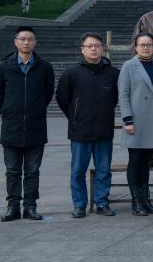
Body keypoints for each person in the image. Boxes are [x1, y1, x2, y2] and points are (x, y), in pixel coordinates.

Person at [0, 27, 55, 221]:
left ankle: (30, 207)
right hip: (11, 128)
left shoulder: (45, 67)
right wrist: (10, 111)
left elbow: (47, 94)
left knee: (32, 171)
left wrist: (34, 110)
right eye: (22, 39)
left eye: (30, 39)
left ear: (35, 42)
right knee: (12, 171)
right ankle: (12, 207)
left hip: (36, 128)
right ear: (15, 42)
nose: (26, 42)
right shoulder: (4, 67)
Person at [56, 33, 120, 218]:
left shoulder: (113, 73)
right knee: (78, 171)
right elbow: (62, 98)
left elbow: (115, 98)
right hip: (80, 131)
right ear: (82, 49)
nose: (93, 48)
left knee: (103, 170)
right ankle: (79, 205)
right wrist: (75, 116)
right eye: (89, 46)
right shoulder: (71, 73)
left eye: (97, 45)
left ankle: (102, 203)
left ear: (102, 48)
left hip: (103, 130)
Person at [119, 33, 153, 216]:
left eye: (149, 45)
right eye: (142, 45)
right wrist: (127, 120)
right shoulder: (128, 66)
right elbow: (123, 94)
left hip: (152, 122)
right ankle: (136, 202)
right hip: (135, 122)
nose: (146, 48)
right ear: (136, 47)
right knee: (135, 161)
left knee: (146, 162)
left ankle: (146, 201)